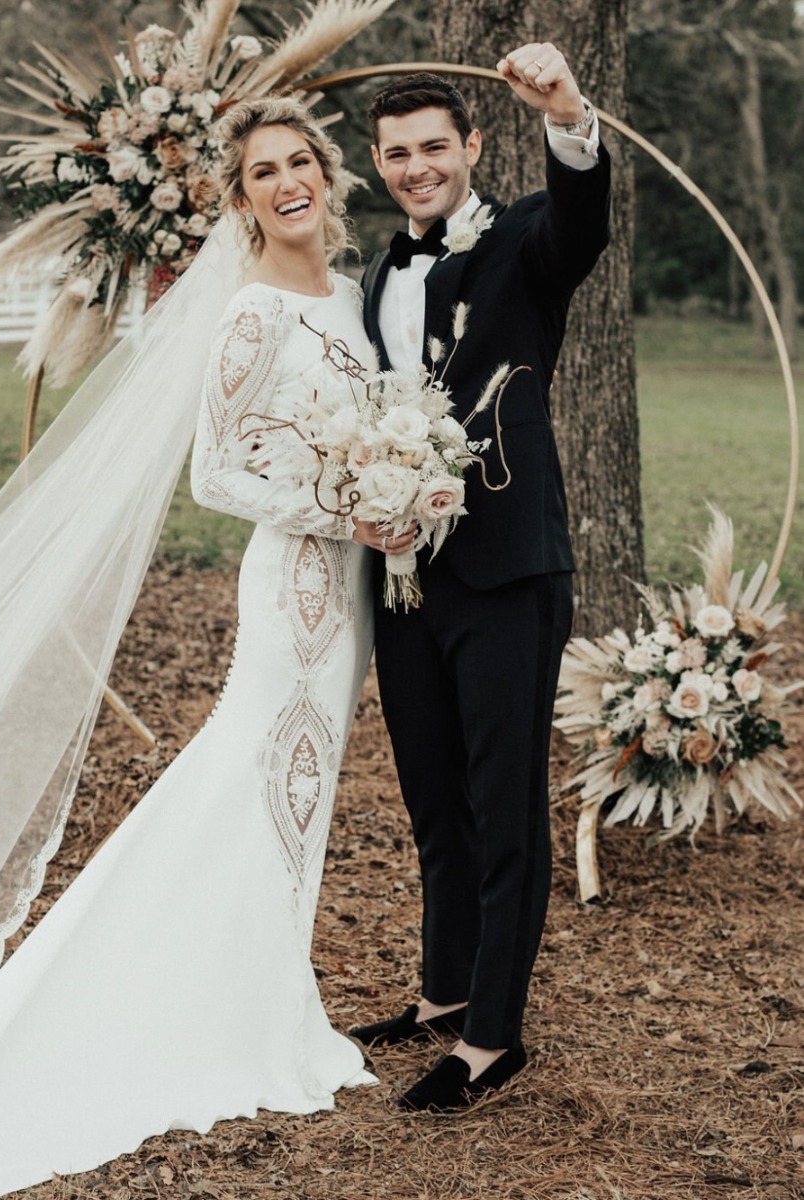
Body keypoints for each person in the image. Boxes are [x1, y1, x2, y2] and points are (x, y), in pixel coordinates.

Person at [0, 96, 413, 1200]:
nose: (287, 184)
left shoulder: (350, 295)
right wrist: (345, 504)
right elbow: (216, 473)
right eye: (262, 173)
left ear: (328, 176)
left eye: (300, 164)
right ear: (242, 200)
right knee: (250, 771)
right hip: (296, 593)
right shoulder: (250, 315)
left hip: (354, 595)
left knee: (302, 787)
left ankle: (270, 987)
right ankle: (215, 1005)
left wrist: (392, 485)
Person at [350, 46, 612, 1111]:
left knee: (504, 806)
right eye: (397, 154)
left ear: (470, 149)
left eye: (434, 149)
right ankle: (444, 992)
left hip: (506, 566)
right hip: (408, 576)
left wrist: (569, 117)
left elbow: (581, 224)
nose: (418, 168)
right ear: (378, 166)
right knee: (432, 799)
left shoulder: (517, 244)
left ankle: (492, 1040)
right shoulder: (377, 271)